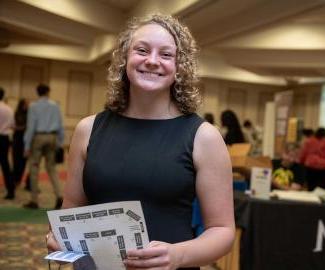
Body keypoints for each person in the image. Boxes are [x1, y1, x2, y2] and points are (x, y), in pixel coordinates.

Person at [47, 14, 235, 269]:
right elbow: (71, 208)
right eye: (142, 50)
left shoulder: (204, 136)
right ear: (125, 58)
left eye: (166, 54)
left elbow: (222, 231)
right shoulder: (88, 129)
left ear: (180, 66)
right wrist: (59, 236)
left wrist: (177, 255)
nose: (152, 61)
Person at [23, 84, 64, 209]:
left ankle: (34, 200)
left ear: (37, 92)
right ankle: (59, 196)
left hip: (38, 137)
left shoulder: (33, 106)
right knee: (51, 168)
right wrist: (59, 143)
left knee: (34, 168)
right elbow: (60, 125)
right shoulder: (55, 105)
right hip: (52, 137)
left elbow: (30, 126)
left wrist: (26, 145)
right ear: (48, 92)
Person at [0, 87, 15, 199]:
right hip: (5, 138)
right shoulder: (9, 109)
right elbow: (13, 125)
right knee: (5, 164)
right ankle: (11, 191)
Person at [12, 98, 29, 187]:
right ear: (22, 105)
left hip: (25, 140)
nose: (28, 105)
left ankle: (18, 179)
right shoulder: (17, 113)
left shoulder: (29, 114)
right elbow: (17, 125)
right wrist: (26, 126)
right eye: (26, 104)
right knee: (16, 160)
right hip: (17, 140)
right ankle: (15, 179)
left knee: (23, 161)